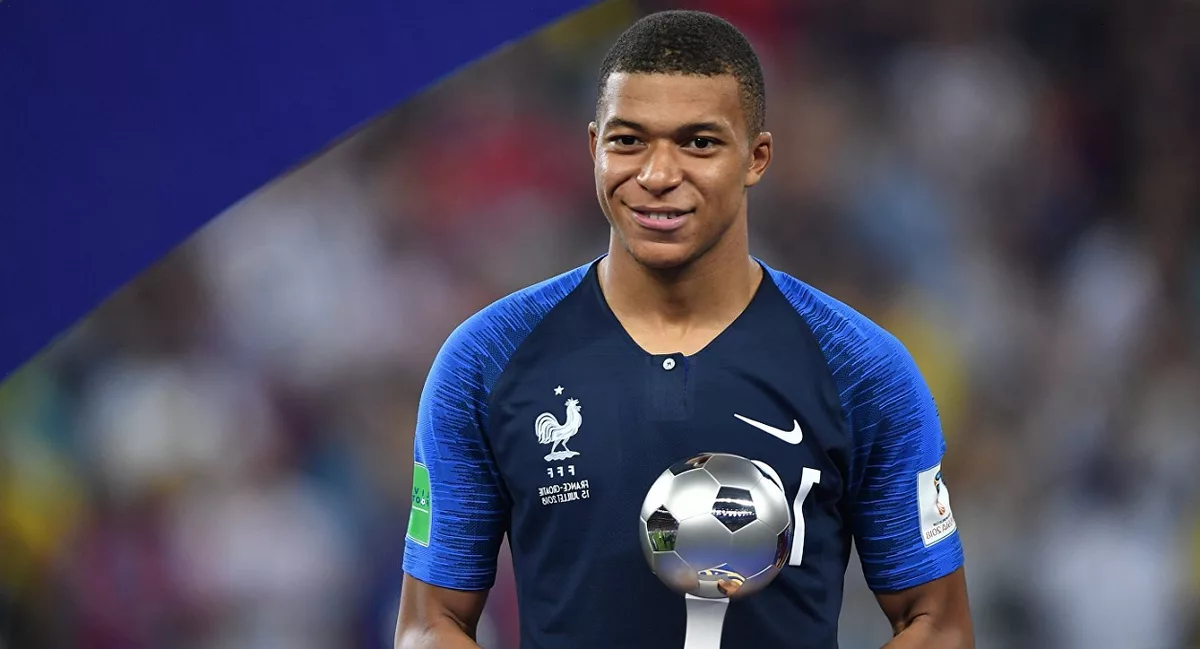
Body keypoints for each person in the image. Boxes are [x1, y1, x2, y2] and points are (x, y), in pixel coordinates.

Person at [394, 9, 973, 649]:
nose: (658, 175)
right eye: (628, 141)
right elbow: (429, 623)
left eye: (698, 143)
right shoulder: (486, 359)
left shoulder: (860, 367)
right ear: (594, 149)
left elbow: (938, 623)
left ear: (756, 157)